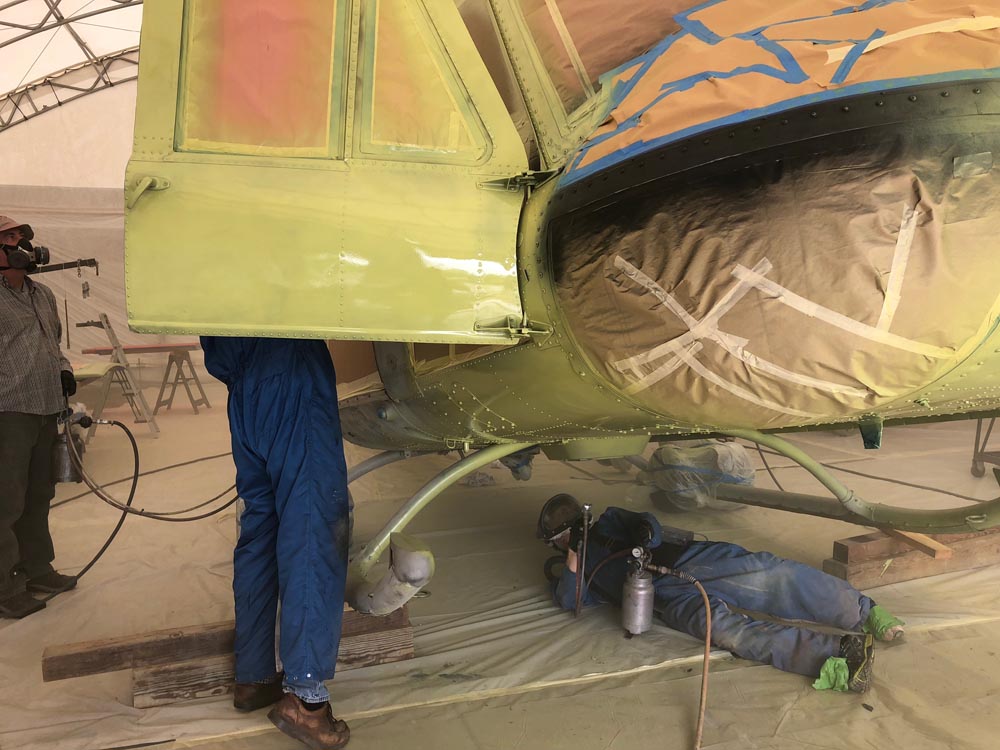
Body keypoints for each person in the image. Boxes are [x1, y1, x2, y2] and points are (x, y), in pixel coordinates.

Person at [538, 494, 905, 693]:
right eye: (565, 536)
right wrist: (574, 556)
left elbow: (646, 522)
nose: (572, 535)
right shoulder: (580, 572)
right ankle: (836, 659)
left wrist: (644, 534)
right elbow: (570, 601)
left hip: (690, 560)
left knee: (771, 575)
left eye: (574, 529)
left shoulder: (608, 521)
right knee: (731, 632)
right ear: (557, 543)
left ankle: (862, 612)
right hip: (665, 599)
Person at [201, 336, 351, 750]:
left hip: (243, 385)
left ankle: (255, 675)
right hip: (292, 370)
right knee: (312, 525)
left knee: (262, 527)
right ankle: (306, 700)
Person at [0, 216, 78, 619]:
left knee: (38, 495)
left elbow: (54, 344)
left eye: (21, 237)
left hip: (46, 407)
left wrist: (64, 368)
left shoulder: (42, 293)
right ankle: (5, 587)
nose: (20, 244)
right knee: (5, 502)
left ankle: (37, 569)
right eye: (9, 237)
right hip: (8, 410)